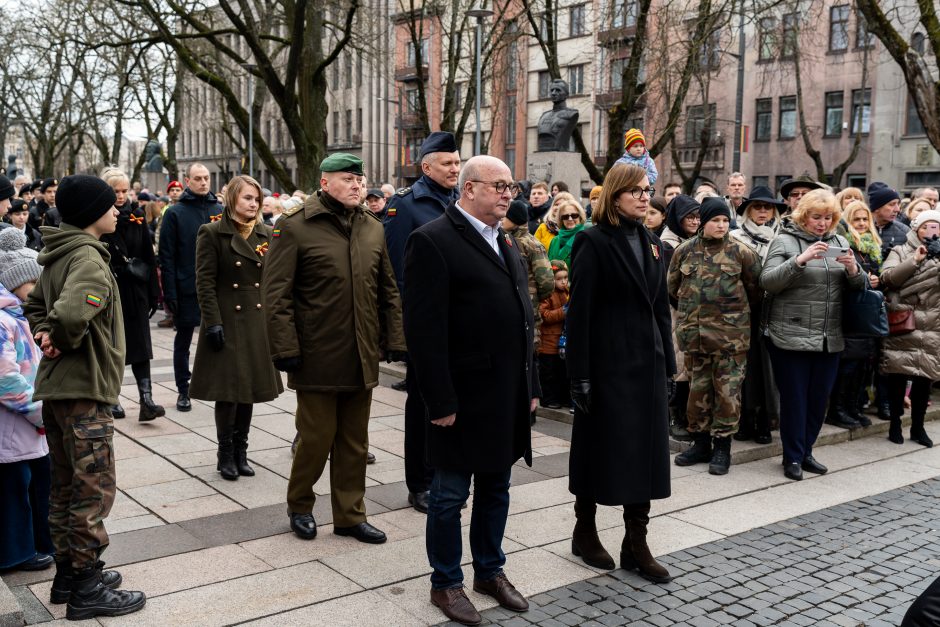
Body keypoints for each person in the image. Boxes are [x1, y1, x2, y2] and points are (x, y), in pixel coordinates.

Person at [403, 155, 537, 625]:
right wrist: (439, 400)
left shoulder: (506, 242)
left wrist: (531, 384)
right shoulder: (432, 240)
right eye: (498, 185)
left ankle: (489, 571)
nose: (507, 193)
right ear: (468, 189)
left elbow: (524, 318)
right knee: (448, 494)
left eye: (511, 187)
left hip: (504, 393)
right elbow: (423, 331)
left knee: (497, 486)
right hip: (460, 397)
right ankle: (445, 583)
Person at [264, 153, 405, 544]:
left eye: (360, 179)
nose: (358, 185)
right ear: (324, 183)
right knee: (315, 438)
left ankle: (349, 515)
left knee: (355, 442)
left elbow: (387, 289)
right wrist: (285, 349)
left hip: (360, 354)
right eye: (348, 179)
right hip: (316, 354)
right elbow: (276, 295)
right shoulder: (294, 227)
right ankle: (300, 506)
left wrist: (395, 338)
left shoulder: (372, 227)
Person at [24, 174, 146, 619]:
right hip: (83, 390)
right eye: (110, 204)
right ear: (93, 213)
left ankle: (68, 574)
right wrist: (57, 333)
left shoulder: (60, 252)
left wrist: (44, 333)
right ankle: (88, 587)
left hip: (58, 391)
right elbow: (74, 310)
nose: (118, 209)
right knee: (93, 489)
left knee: (65, 486)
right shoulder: (89, 259)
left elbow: (35, 305)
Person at [565, 163, 674, 581]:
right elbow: (581, 314)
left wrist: (668, 367)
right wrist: (580, 375)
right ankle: (584, 529)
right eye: (636, 191)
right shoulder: (592, 241)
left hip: (648, 365)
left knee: (646, 457)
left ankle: (635, 541)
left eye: (648, 190)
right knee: (596, 451)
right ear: (615, 196)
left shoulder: (652, 243)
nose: (645, 197)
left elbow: (660, 309)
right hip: (607, 366)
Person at [759, 189, 865, 481]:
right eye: (816, 217)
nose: (822, 223)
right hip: (790, 334)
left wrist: (854, 269)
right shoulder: (784, 240)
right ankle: (792, 457)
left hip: (828, 336)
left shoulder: (840, 241)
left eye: (828, 217)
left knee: (819, 400)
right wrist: (800, 260)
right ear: (803, 215)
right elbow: (767, 282)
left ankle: (806, 452)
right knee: (795, 400)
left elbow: (860, 286)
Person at [384, 131, 461, 512]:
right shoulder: (406, 207)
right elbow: (398, 274)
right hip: (425, 323)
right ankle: (420, 482)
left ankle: (445, 474)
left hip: (457, 323)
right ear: (426, 166)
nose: (455, 169)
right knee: (423, 406)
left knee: (450, 403)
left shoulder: (459, 201)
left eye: (458, 162)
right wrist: (404, 333)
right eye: (447, 163)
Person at [190, 175, 283, 481]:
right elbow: (204, 282)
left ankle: (242, 452)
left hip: (256, 320)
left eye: (256, 199)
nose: (253, 204)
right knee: (228, 393)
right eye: (247, 198)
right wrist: (213, 322)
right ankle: (225, 453)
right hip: (227, 319)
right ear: (231, 199)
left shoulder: (265, 234)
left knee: (249, 391)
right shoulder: (212, 232)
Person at [669, 197, 761, 475]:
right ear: (703, 223)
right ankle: (700, 444)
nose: (721, 225)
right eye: (715, 221)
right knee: (698, 393)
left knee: (727, 394)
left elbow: (756, 290)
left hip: (730, 341)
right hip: (696, 338)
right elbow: (672, 287)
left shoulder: (742, 252)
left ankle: (722, 447)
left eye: (724, 220)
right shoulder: (685, 251)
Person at [0, 229, 53, 573]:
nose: (38, 290)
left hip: (31, 422)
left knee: (36, 485)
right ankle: (13, 553)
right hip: (14, 425)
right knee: (13, 491)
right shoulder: (5, 321)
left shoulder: (23, 315)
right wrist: (38, 410)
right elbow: (6, 379)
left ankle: (39, 542)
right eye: (32, 284)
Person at [99, 167, 164, 423]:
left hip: (135, 289)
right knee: (113, 345)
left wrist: (153, 293)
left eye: (125, 190)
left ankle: (146, 399)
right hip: (112, 287)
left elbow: (148, 254)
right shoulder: (99, 217)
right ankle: (112, 397)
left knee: (141, 346)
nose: (121, 196)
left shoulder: (137, 214)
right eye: (116, 191)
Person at [157, 163, 223, 412]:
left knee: (218, 337)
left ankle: (217, 386)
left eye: (206, 178)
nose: (204, 182)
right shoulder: (175, 213)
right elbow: (168, 256)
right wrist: (170, 293)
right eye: (198, 178)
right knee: (183, 340)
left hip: (217, 287)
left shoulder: (219, 209)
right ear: (187, 181)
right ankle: (183, 390)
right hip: (187, 286)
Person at [879, 209, 940, 448]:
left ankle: (918, 427)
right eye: (927, 226)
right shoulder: (900, 250)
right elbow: (888, 278)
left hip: (933, 323)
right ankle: (895, 424)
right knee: (898, 376)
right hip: (905, 320)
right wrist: (915, 261)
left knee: (925, 379)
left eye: (936, 226)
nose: (931, 231)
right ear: (916, 228)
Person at [729, 186, 785, 443]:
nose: (762, 212)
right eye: (758, 207)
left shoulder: (783, 237)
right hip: (743, 312)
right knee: (744, 368)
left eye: (767, 207)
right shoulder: (735, 237)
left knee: (769, 368)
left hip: (774, 311)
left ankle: (766, 420)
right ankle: (744, 420)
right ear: (748, 210)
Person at [826, 200, 882, 430]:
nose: (861, 223)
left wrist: (878, 280)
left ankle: (852, 407)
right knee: (847, 365)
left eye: (864, 219)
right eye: (856, 219)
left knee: (862, 365)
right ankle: (837, 410)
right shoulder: (843, 244)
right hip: (848, 313)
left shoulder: (874, 246)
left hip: (866, 313)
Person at [661, 194, 701, 441]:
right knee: (678, 366)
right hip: (676, 313)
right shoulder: (667, 245)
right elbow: (669, 286)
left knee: (690, 365)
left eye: (698, 216)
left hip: (694, 313)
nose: (695, 221)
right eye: (690, 217)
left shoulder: (696, 241)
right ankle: (675, 417)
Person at [501, 199, 554, 355]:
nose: (501, 219)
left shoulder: (531, 244)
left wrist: (532, 297)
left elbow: (547, 282)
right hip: (508, 310)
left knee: (529, 354)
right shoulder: (504, 239)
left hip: (528, 311)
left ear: (515, 220)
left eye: (506, 216)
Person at [538, 260, 570, 410]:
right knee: (549, 373)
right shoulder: (547, 293)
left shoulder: (567, 292)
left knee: (561, 372)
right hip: (548, 341)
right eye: (559, 279)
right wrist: (563, 312)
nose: (563, 282)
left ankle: (562, 397)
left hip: (561, 341)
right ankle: (548, 398)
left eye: (565, 278)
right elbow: (544, 315)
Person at [546, 198, 587, 269]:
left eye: (574, 215)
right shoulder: (554, 240)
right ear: (561, 219)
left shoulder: (586, 239)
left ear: (580, 216)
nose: (570, 219)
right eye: (565, 216)